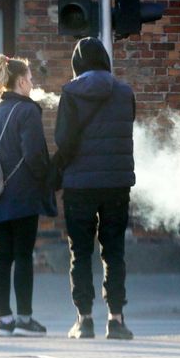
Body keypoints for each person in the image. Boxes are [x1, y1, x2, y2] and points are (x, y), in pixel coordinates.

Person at [52, 37, 136, 340]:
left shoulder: (71, 93)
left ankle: (84, 320)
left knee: (81, 251)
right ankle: (116, 319)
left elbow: (64, 140)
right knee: (114, 252)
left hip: (79, 184)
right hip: (116, 183)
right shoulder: (125, 93)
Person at [0, 54, 57, 337]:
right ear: (21, 81)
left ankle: (4, 320)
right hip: (23, 194)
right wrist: (48, 180)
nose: (33, 83)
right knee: (24, 255)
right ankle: (24, 319)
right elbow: (34, 154)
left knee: (3, 256)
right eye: (31, 79)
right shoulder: (27, 111)